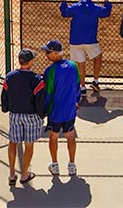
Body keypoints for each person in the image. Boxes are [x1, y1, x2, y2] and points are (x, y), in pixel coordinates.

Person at [1, 48, 45, 185]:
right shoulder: (36, 79)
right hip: (31, 116)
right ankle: (24, 175)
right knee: (29, 145)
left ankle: (12, 174)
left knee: (13, 143)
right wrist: (42, 114)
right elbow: (40, 100)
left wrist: (6, 108)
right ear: (30, 62)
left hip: (15, 115)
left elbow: (4, 95)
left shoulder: (10, 76)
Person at [41, 39, 82, 177]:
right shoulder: (73, 66)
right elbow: (78, 86)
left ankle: (55, 165)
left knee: (54, 136)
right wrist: (76, 101)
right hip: (70, 110)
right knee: (70, 135)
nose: (46, 55)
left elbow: (48, 93)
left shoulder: (50, 71)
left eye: (48, 52)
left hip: (56, 111)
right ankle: (72, 165)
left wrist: (45, 110)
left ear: (55, 53)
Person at [60, 0, 112, 95]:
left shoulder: (76, 7)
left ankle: (82, 87)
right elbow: (107, 12)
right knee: (98, 58)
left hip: (76, 40)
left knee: (80, 64)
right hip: (90, 40)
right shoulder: (95, 8)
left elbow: (64, 12)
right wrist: (106, 0)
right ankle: (96, 80)